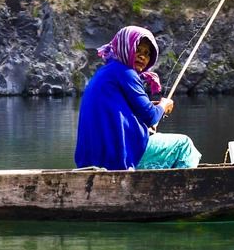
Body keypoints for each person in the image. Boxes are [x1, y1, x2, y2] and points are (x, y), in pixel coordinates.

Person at [75, 26, 201, 170]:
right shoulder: (126, 73)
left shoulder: (106, 72)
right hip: (117, 156)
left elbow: (123, 113)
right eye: (138, 50)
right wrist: (163, 106)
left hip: (93, 159)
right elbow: (151, 116)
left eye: (147, 53)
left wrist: (152, 111)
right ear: (125, 47)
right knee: (184, 145)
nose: (143, 57)